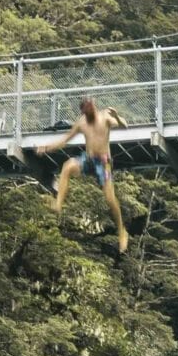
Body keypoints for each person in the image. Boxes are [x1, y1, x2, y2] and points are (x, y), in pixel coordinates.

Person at [39, 97, 129, 252]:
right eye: (86, 113)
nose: (89, 115)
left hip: (103, 163)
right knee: (67, 166)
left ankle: (122, 230)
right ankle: (58, 205)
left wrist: (117, 117)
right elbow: (65, 140)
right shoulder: (82, 122)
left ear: (94, 108)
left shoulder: (105, 117)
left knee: (109, 198)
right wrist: (47, 148)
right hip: (88, 160)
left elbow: (125, 126)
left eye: (91, 111)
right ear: (83, 112)